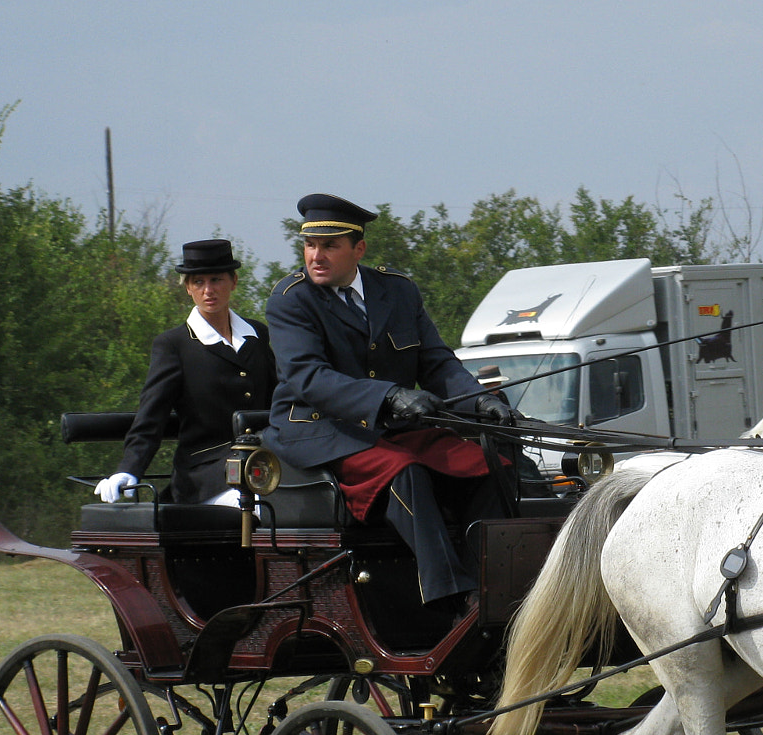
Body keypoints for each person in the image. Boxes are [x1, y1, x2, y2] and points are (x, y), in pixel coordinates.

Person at [262, 193, 515, 605]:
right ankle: (453, 596)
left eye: (330, 246)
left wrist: (478, 402)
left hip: (387, 428)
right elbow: (309, 378)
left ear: (358, 248)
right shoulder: (291, 299)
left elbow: (436, 363)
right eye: (309, 245)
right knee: (403, 470)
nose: (316, 256)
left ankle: (495, 586)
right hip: (316, 429)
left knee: (487, 464)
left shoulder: (397, 291)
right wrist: (390, 396)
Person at [96, 239, 276, 505]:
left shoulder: (257, 334)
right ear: (188, 289)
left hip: (264, 460)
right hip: (205, 473)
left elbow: (277, 399)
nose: (208, 290)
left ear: (233, 281)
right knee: (261, 506)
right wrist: (129, 469)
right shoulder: (173, 345)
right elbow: (151, 417)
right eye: (198, 282)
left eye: (216, 280)